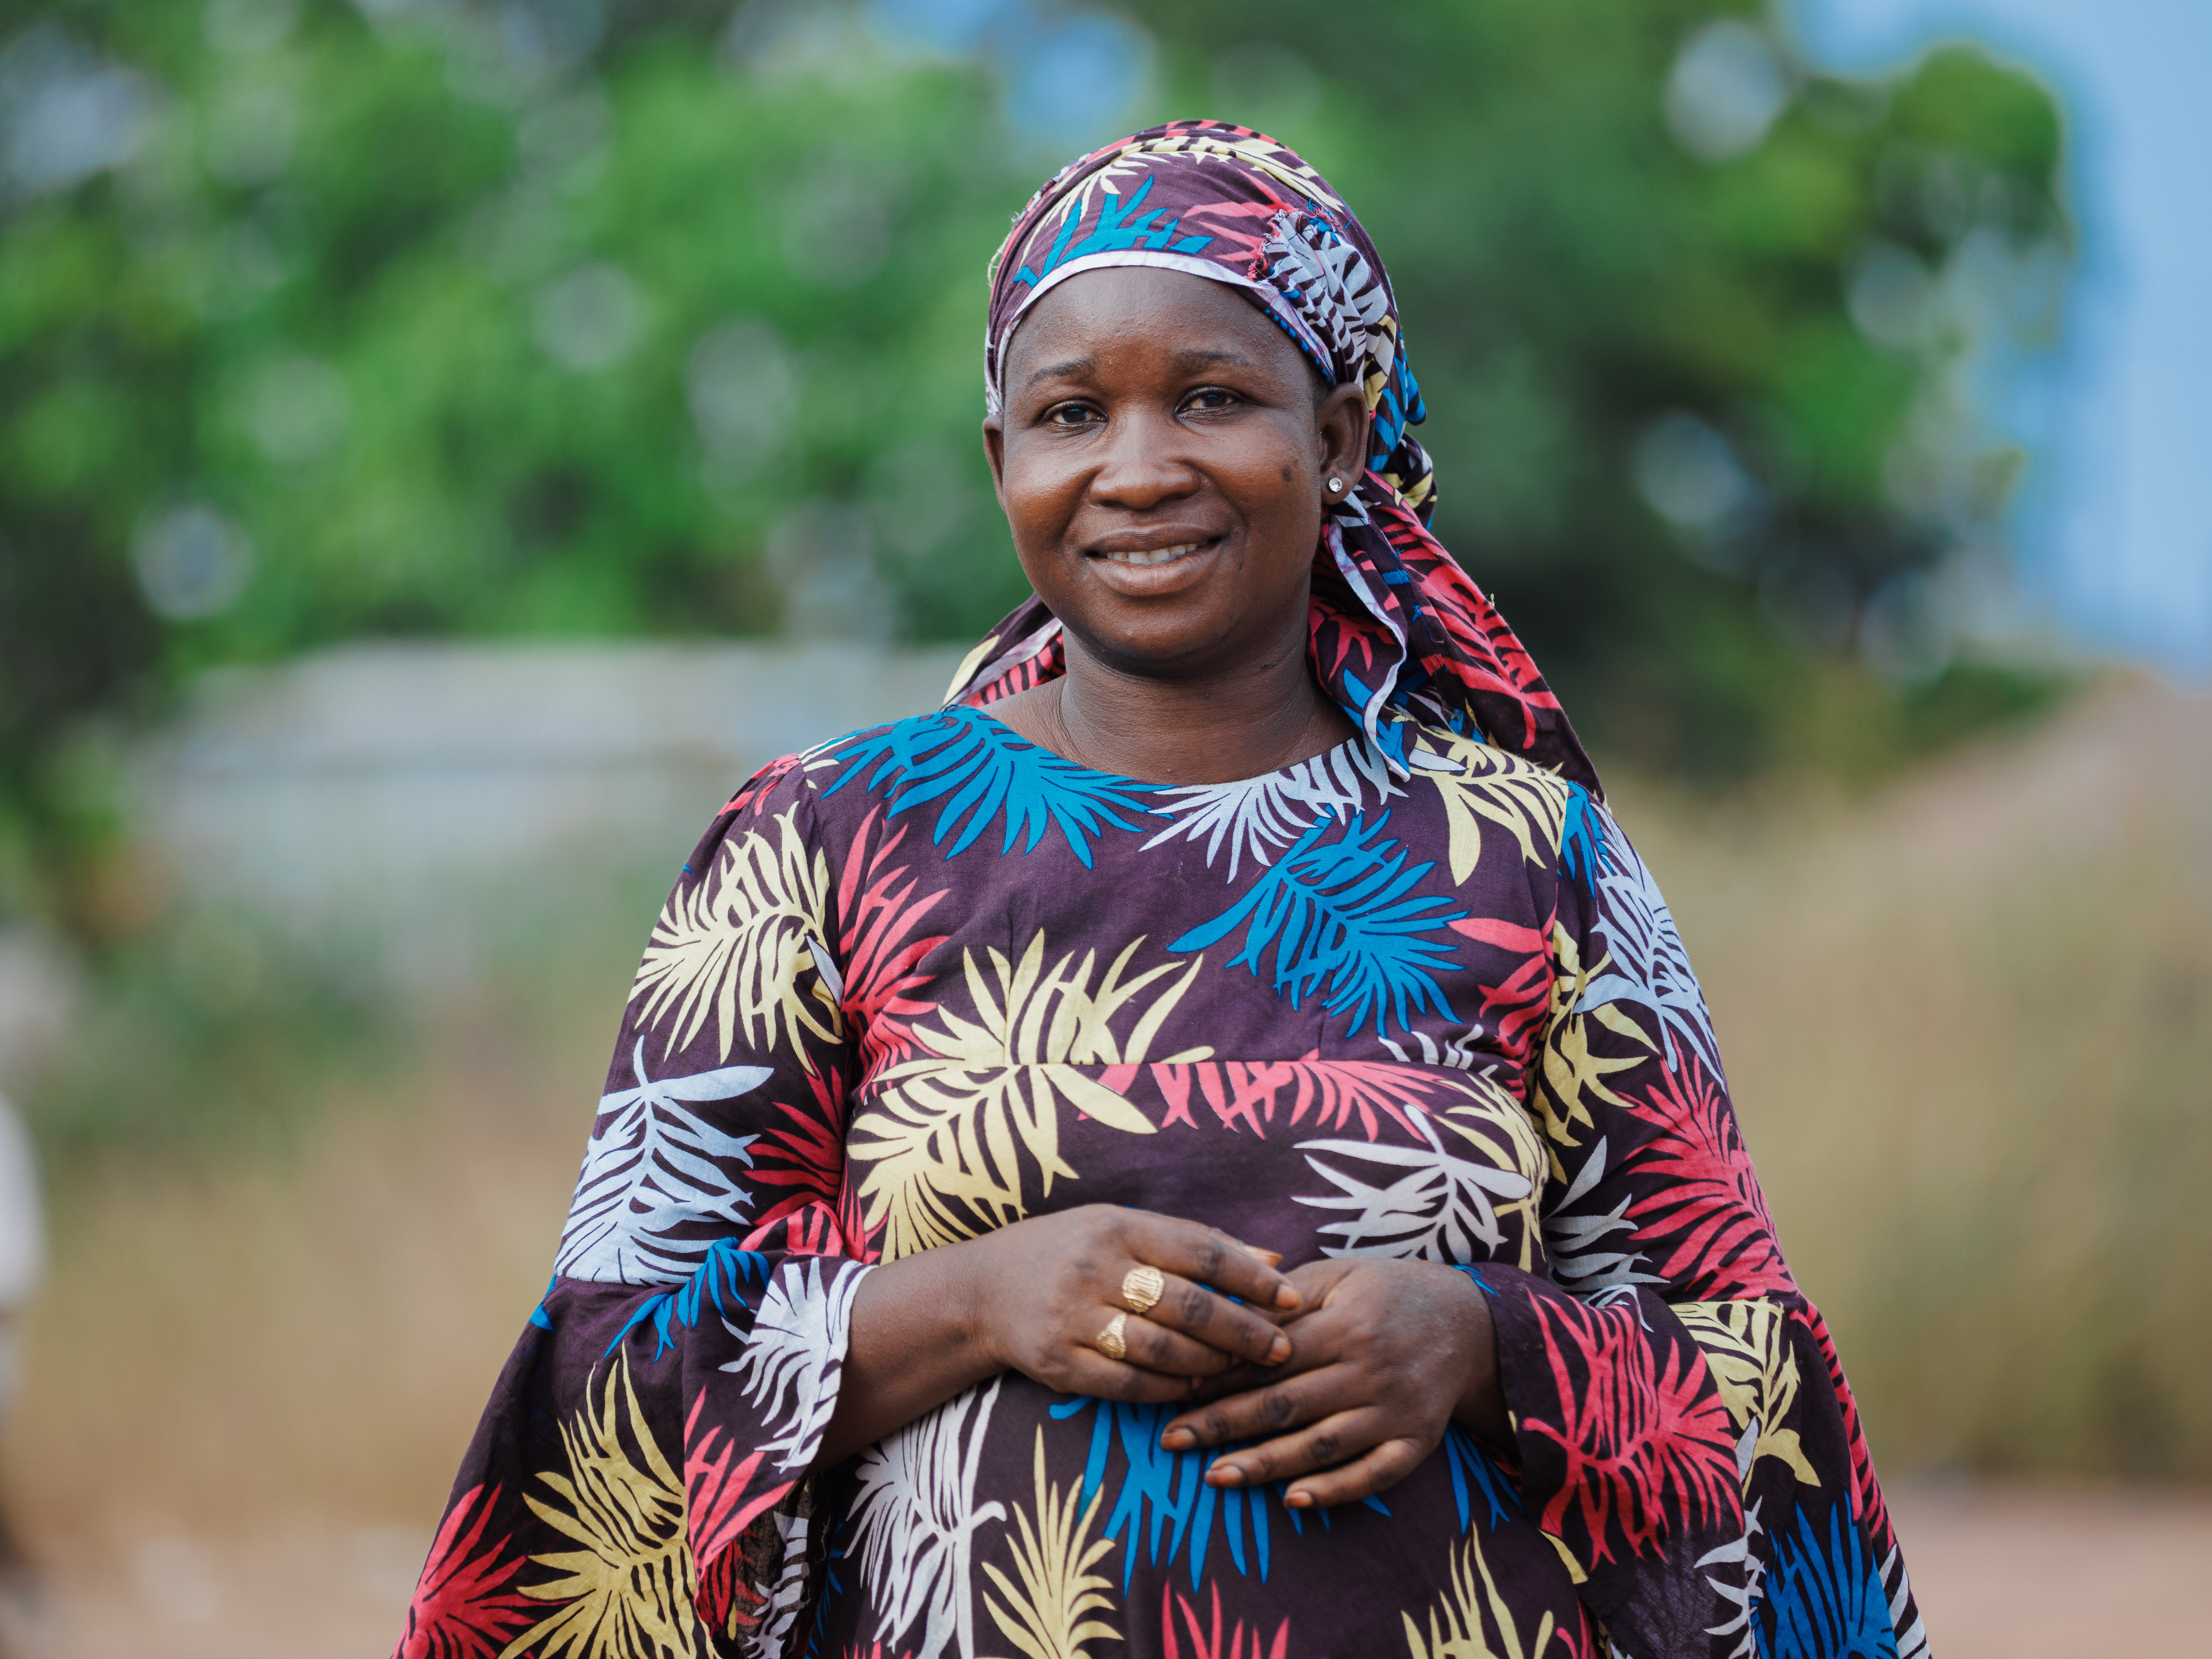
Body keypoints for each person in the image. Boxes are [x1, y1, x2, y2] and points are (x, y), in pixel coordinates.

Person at [394, 121, 1925, 1659]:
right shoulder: (824, 838)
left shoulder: (1531, 857)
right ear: (1005, 463)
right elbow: (606, 1383)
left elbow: (1755, 1381)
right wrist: (980, 1299)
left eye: (1212, 397)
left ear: (1335, 434)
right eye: (1072, 413)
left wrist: (1484, 1341)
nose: (1139, 469)